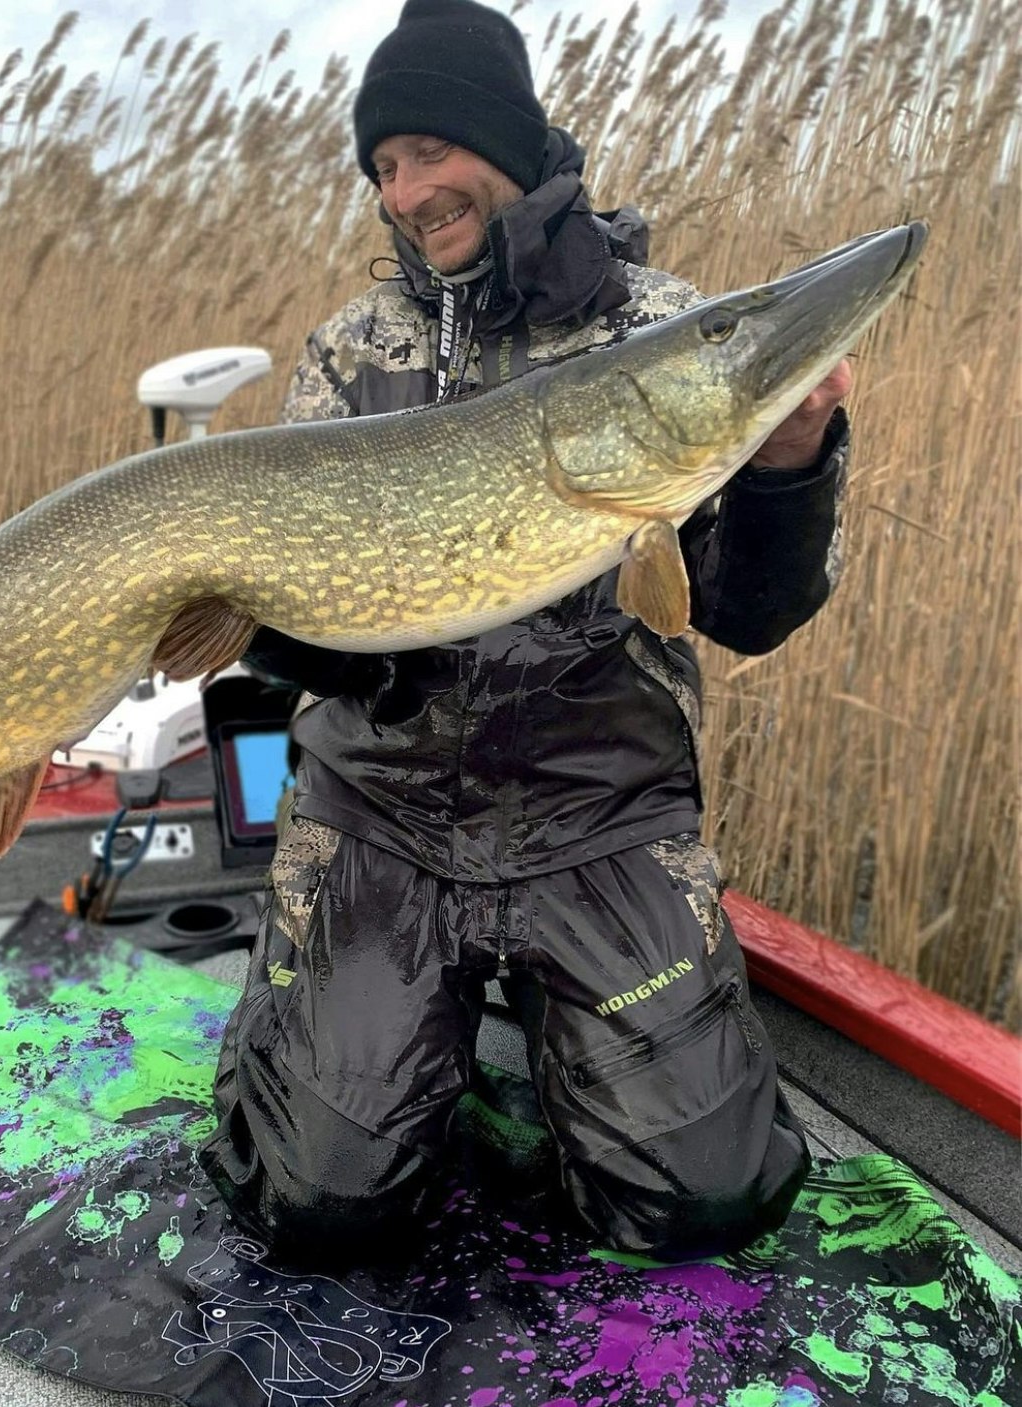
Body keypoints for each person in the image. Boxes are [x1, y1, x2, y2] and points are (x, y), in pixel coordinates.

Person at [200, 0, 850, 1264]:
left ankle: (550, 1058)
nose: (407, 190)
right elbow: (321, 649)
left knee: (700, 1199)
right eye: (384, 167)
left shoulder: (662, 331)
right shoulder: (353, 351)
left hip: (601, 811)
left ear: (506, 142)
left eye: (431, 150)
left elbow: (750, 613)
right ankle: (370, 1044)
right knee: (324, 1201)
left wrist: (789, 461)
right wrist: (262, 618)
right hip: (381, 812)